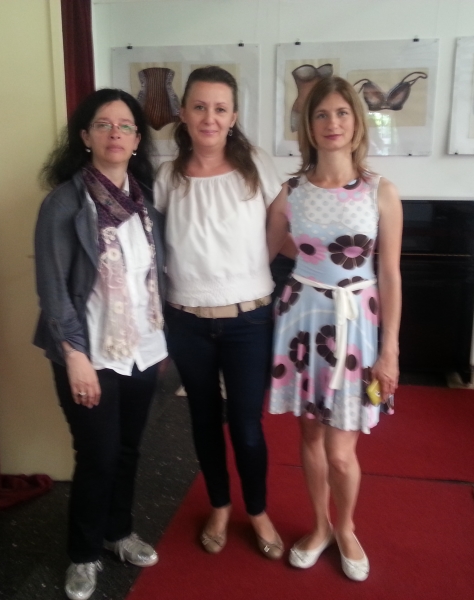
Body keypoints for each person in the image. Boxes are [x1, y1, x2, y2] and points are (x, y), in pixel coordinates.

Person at [266, 76, 403, 582]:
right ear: (308, 125)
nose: (332, 123)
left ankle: (345, 528)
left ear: (357, 122)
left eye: (342, 113)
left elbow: (390, 274)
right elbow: (266, 251)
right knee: (309, 438)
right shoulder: (291, 192)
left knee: (341, 452)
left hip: (356, 326)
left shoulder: (380, 191)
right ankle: (319, 526)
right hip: (302, 320)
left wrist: (390, 350)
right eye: (321, 114)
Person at [34, 89, 166, 600]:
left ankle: (118, 532)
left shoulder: (145, 202)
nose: (116, 133)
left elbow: (154, 279)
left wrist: (161, 340)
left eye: (126, 125)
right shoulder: (64, 204)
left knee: (128, 449)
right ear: (85, 136)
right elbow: (53, 289)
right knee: (98, 455)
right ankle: (84, 554)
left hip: (143, 350)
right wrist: (75, 357)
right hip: (88, 353)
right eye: (104, 124)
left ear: (137, 140)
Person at [154, 66, 285, 559]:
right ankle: (219, 505)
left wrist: (259, 264)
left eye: (220, 108)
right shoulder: (167, 176)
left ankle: (258, 510)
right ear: (184, 114)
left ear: (233, 117)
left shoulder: (256, 165)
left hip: (248, 320)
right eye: (200, 107)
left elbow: (280, 217)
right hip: (187, 321)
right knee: (204, 420)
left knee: (247, 427)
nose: (210, 117)